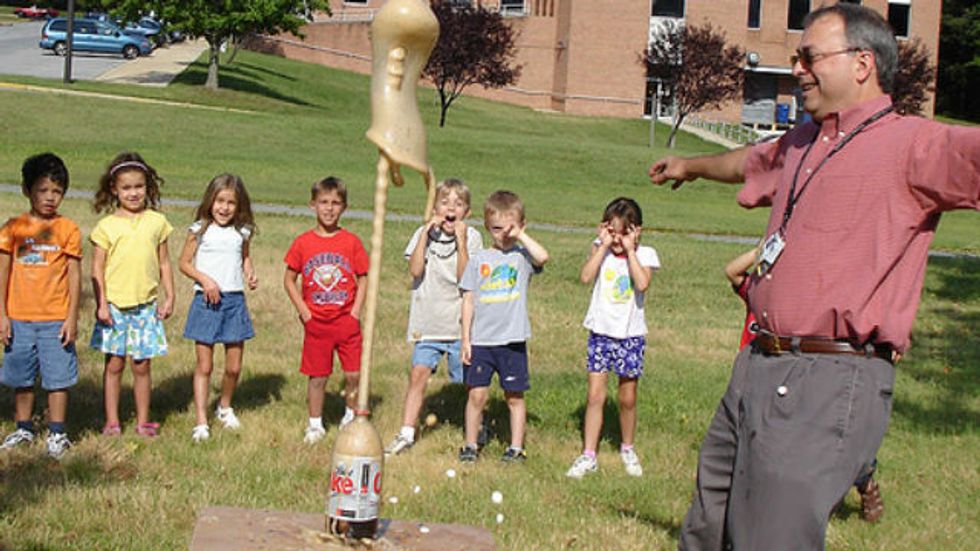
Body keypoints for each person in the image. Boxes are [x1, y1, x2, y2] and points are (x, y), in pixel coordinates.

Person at [649, 4, 979, 549]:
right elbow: (751, 162)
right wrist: (689, 166)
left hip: (830, 377)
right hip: (757, 363)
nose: (797, 68)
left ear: (862, 64)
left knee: (772, 540)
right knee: (707, 529)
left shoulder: (916, 146)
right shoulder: (805, 141)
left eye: (809, 57)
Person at [726, 243, 885, 522]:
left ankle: (865, 479)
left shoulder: (801, 306)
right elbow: (732, 271)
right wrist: (762, 250)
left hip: (796, 375)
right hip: (757, 372)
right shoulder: (759, 296)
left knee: (833, 438)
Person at [385, 178, 482, 456]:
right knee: (418, 375)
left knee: (467, 382)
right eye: (445, 202)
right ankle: (406, 432)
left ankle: (478, 425)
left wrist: (461, 242)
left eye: (458, 204)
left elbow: (466, 278)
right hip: (427, 322)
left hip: (458, 325)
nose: (451, 209)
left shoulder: (472, 237)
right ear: (435, 208)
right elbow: (415, 271)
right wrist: (425, 235)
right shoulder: (423, 234)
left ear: (467, 212)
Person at [565, 197, 659, 479]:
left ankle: (627, 447)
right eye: (613, 231)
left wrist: (630, 251)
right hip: (600, 333)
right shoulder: (600, 250)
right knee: (595, 395)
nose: (618, 239)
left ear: (637, 231)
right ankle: (588, 454)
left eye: (625, 232)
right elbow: (584, 277)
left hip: (629, 336)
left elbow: (642, 283)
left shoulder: (646, 254)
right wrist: (603, 245)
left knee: (627, 397)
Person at [0, 153, 81, 458]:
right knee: (21, 377)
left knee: (58, 377)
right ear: (27, 190)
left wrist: (71, 318)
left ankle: (57, 433)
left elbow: (74, 277)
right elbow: (3, 273)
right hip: (19, 317)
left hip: (55, 318)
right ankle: (23, 427)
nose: (50, 198)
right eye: (42, 190)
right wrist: (2, 315)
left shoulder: (68, 230)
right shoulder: (12, 229)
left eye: (57, 191)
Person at [458, 190, 549, 463]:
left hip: (512, 339)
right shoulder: (479, 259)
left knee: (514, 397)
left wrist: (520, 235)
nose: (503, 234)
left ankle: (516, 447)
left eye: (510, 227)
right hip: (482, 340)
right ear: (487, 227)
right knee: (477, 395)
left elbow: (543, 257)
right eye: (497, 228)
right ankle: (471, 445)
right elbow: (468, 300)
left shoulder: (522, 257)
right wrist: (466, 339)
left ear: (521, 225)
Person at [90, 152, 175, 438]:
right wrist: (101, 304)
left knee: (142, 366)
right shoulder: (106, 227)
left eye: (139, 186)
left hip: (145, 308)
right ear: (114, 189)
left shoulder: (157, 222)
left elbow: (164, 262)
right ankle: (112, 421)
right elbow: (97, 269)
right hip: (114, 307)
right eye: (126, 188)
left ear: (148, 187)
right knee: (114, 364)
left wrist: (170, 296)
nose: (133, 193)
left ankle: (142, 421)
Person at [283, 177, 368, 445]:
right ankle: (315, 424)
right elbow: (289, 279)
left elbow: (364, 276)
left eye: (335, 203)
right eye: (323, 203)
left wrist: (355, 312)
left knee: (354, 373)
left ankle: (350, 415)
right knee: (318, 376)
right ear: (312, 205)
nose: (329, 209)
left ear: (344, 207)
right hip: (317, 323)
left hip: (346, 320)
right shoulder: (303, 243)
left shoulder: (351, 242)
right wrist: (304, 311)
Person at [178, 174, 258, 443]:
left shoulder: (242, 231)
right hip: (206, 302)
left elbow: (244, 257)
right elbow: (184, 263)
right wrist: (205, 280)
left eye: (231, 203)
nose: (224, 208)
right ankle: (201, 421)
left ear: (239, 205)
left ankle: (225, 407)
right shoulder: (199, 229)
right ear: (210, 201)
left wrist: (250, 273)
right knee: (205, 365)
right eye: (219, 201)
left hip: (234, 303)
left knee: (234, 367)